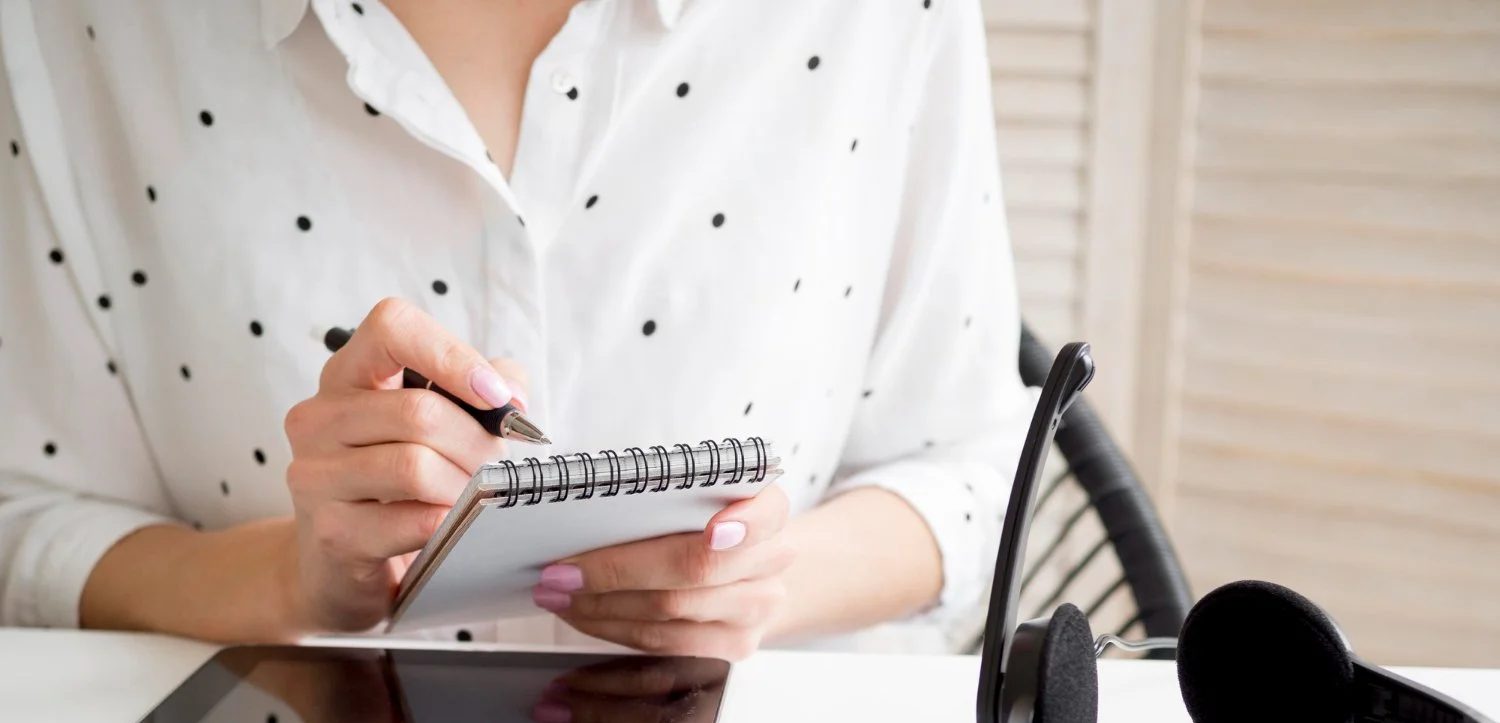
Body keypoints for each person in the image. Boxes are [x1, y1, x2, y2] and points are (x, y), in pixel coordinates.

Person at [0, 0, 1032, 657]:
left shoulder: (884, 20)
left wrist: (760, 583)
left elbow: (974, 472)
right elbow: (23, 516)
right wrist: (290, 576)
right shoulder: (75, 30)